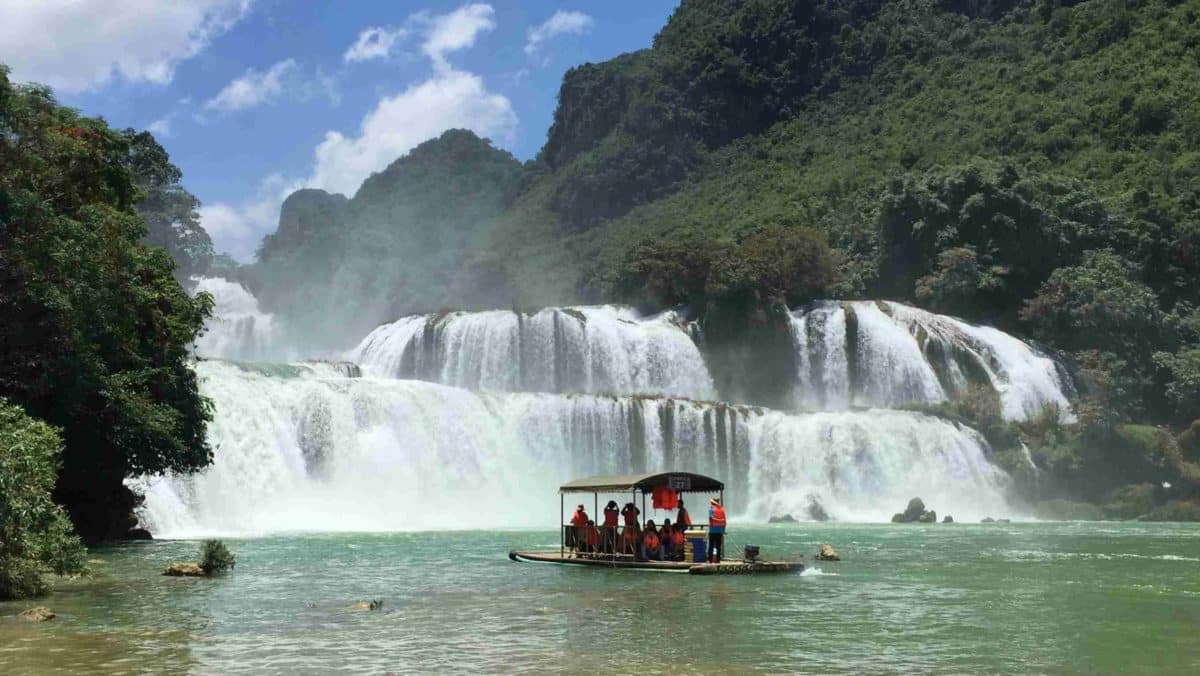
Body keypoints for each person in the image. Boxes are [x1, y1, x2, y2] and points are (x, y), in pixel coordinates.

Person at [708, 496, 726, 563]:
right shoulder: (722, 510)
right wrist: (723, 530)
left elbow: (711, 518)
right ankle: (718, 560)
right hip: (720, 531)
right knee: (718, 546)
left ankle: (710, 560)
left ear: (713, 503)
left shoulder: (711, 509)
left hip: (712, 530)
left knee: (711, 546)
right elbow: (724, 522)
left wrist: (718, 520)